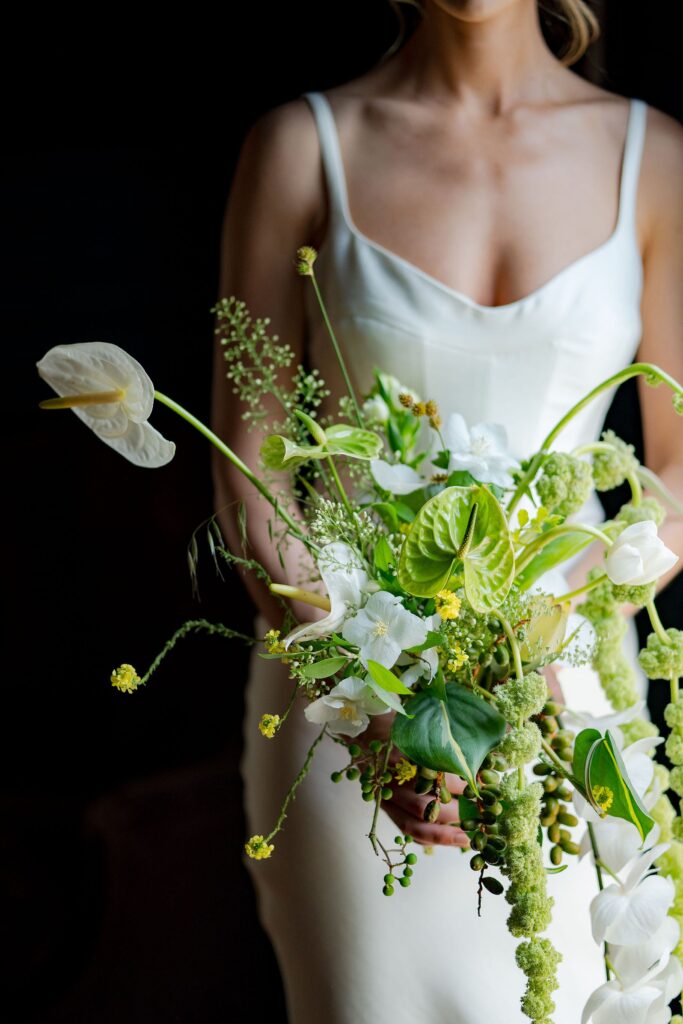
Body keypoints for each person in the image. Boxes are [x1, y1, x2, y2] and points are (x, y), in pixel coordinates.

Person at [210, 1, 683, 1020]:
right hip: (342, 690)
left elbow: (675, 477)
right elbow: (249, 478)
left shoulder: (654, 158)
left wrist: (534, 667)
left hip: (570, 703)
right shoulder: (301, 147)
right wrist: (379, 701)